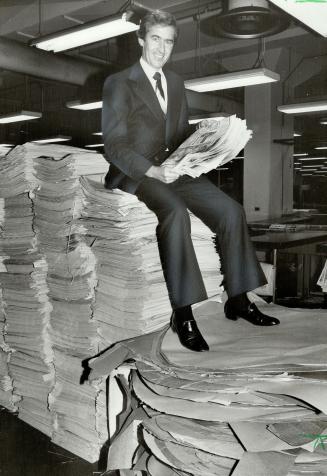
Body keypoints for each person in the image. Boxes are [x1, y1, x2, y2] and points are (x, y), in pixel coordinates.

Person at [102, 10, 279, 353]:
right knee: (175, 212)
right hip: (137, 172)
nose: (162, 49)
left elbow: (179, 134)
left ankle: (239, 300)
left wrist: (207, 150)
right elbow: (114, 144)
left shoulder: (177, 82)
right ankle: (183, 314)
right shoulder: (119, 82)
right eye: (155, 39)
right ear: (140, 39)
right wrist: (153, 171)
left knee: (230, 210)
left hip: (173, 167)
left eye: (169, 42)